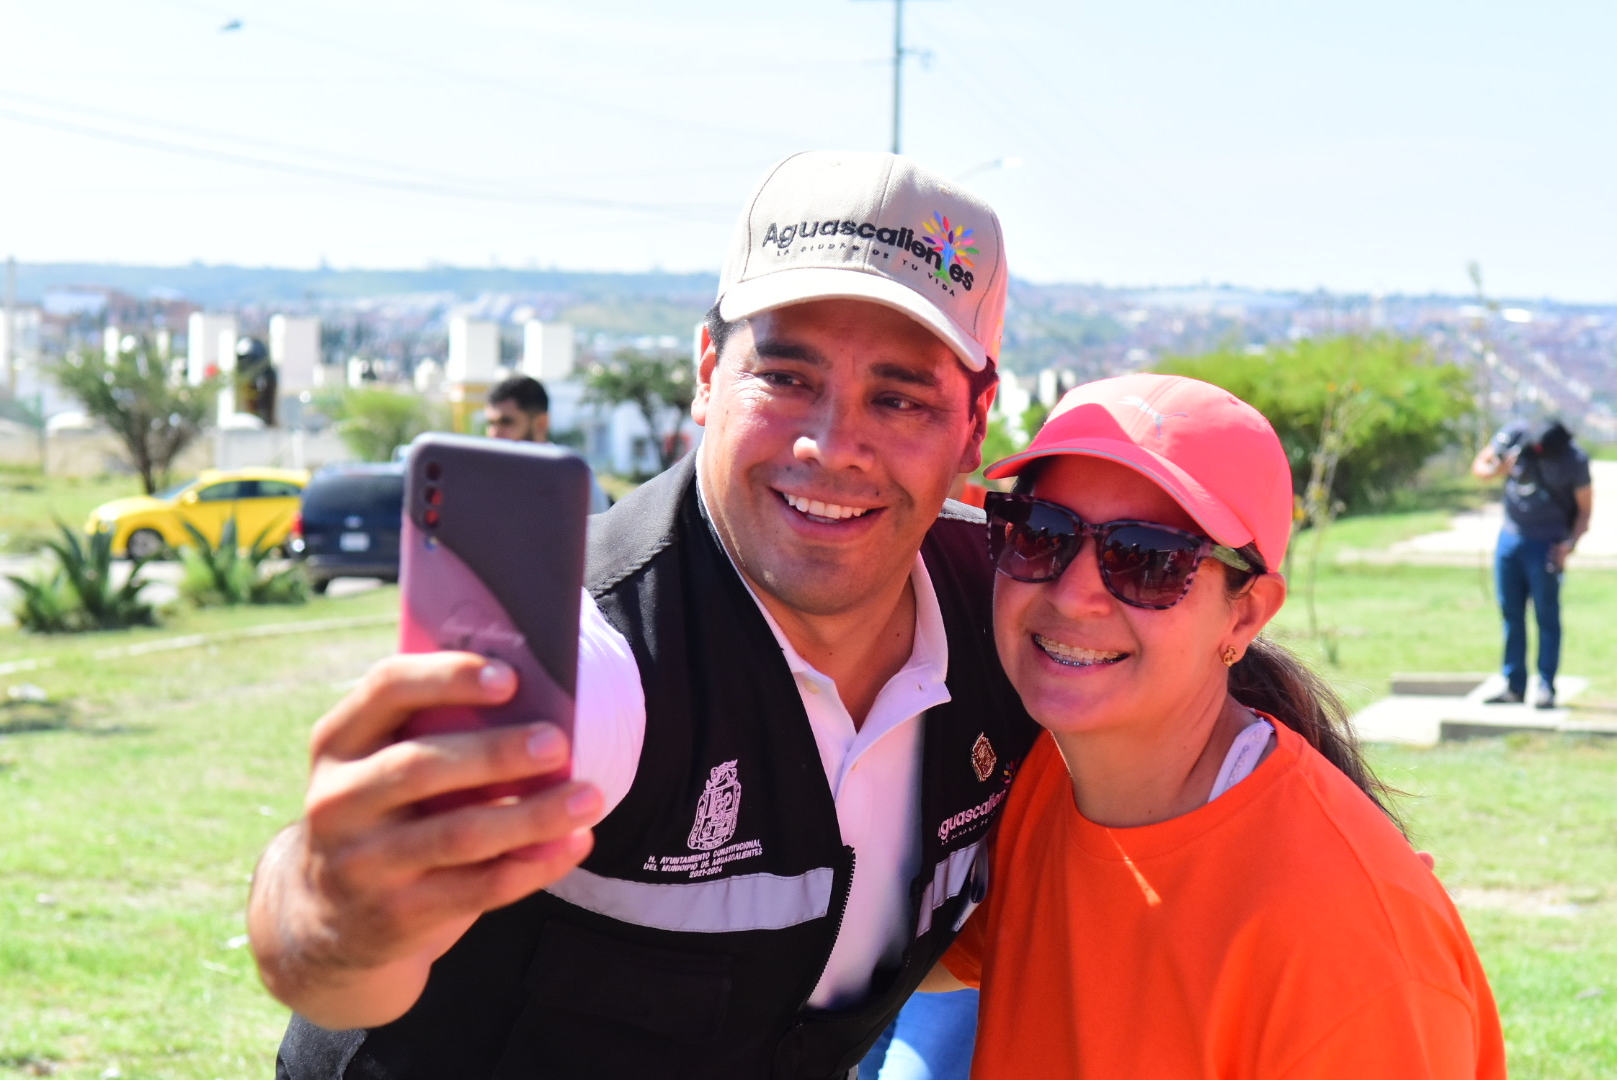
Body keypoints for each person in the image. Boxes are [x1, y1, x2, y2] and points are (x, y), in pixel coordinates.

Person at [250, 150, 1037, 1079]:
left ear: (975, 424)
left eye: (899, 398)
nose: (833, 447)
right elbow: (342, 956)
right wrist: (326, 901)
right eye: (786, 378)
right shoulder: (593, 647)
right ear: (708, 371)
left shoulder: (1007, 619)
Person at [932, 373, 1506, 1078]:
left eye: (1148, 559)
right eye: (1041, 534)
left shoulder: (1345, 944)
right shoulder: (1045, 779)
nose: (1074, 595)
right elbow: (913, 968)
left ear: (1245, 615)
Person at [1471, 417, 1593, 708]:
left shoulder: (1574, 459)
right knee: (1511, 615)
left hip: (1548, 545)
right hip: (1511, 539)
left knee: (1546, 616)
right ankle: (1514, 686)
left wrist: (1569, 545)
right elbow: (1480, 468)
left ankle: (1546, 687)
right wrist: (1499, 469)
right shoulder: (1514, 436)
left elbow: (1585, 510)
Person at [486, 372, 612, 513]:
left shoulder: (570, 477)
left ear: (541, 423)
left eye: (506, 422)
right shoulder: (485, 479)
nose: (494, 433)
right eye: (491, 423)